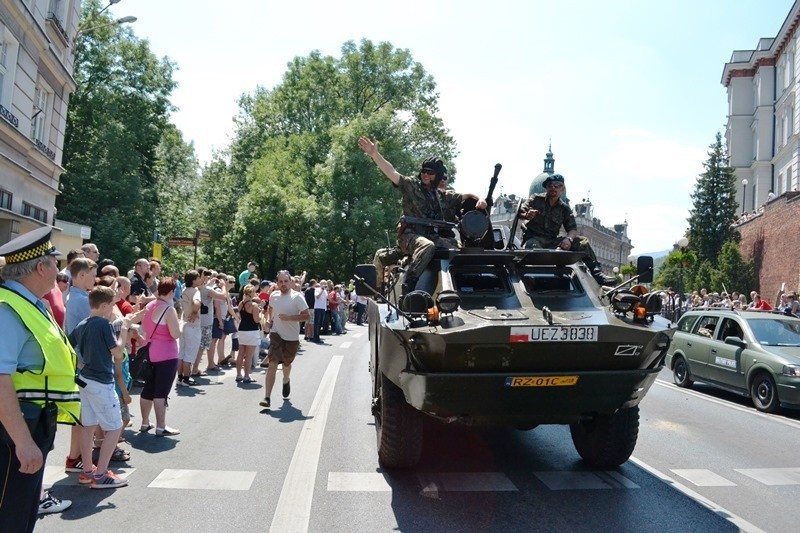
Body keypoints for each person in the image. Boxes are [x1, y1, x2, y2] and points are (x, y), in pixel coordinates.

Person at [0, 227, 81, 531]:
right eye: (54, 263)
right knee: (10, 514)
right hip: (15, 428)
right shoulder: (7, 308)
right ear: (40, 267)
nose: (59, 271)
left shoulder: (30, 302)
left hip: (33, 420)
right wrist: (22, 441)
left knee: (22, 511)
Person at [358, 136, 487, 294]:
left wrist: (480, 198)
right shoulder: (411, 185)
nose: (425, 175)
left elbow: (465, 195)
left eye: (430, 172)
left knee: (458, 249)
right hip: (409, 235)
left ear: (437, 176)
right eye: (424, 171)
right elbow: (391, 172)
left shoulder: (440, 196)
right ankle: (409, 282)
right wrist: (374, 155)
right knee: (427, 246)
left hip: (429, 235)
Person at [68, 286, 130, 489]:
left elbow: (68, 346)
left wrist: (80, 363)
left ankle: (88, 471)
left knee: (88, 425)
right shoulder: (104, 325)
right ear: (104, 305)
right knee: (114, 427)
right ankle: (101, 474)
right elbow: (118, 352)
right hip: (101, 381)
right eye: (112, 305)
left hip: (85, 380)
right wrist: (125, 330)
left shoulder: (82, 324)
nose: (113, 309)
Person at [519, 173, 614, 285]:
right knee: (533, 247)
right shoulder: (535, 199)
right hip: (534, 238)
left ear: (562, 189)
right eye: (550, 185)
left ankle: (598, 274)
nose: (553, 188)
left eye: (557, 185)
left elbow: (572, 228)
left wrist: (568, 239)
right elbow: (520, 211)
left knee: (582, 242)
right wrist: (526, 215)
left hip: (552, 241)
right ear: (546, 188)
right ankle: (533, 279)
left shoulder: (564, 208)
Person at [259, 271, 310, 409]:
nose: (283, 284)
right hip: (276, 335)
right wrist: (269, 320)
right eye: (280, 282)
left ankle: (286, 380)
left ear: (290, 282)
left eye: (286, 281)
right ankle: (267, 397)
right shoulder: (274, 296)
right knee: (272, 364)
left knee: (286, 364)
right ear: (277, 283)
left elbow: (307, 316)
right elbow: (270, 308)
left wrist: (290, 318)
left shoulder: (297, 297)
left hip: (292, 338)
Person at [140, 278, 182, 436]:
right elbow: (175, 333)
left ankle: (145, 422)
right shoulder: (169, 309)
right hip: (166, 354)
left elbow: (144, 329)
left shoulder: (149, 306)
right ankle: (161, 426)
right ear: (171, 291)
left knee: (148, 389)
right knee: (161, 391)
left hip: (149, 351)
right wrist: (181, 326)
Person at [236, 285, 261, 383]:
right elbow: (256, 320)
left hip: (242, 330)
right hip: (251, 331)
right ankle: (246, 376)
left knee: (241, 353)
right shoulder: (254, 306)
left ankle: (238, 374)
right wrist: (260, 313)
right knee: (249, 355)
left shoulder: (241, 304)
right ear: (252, 293)